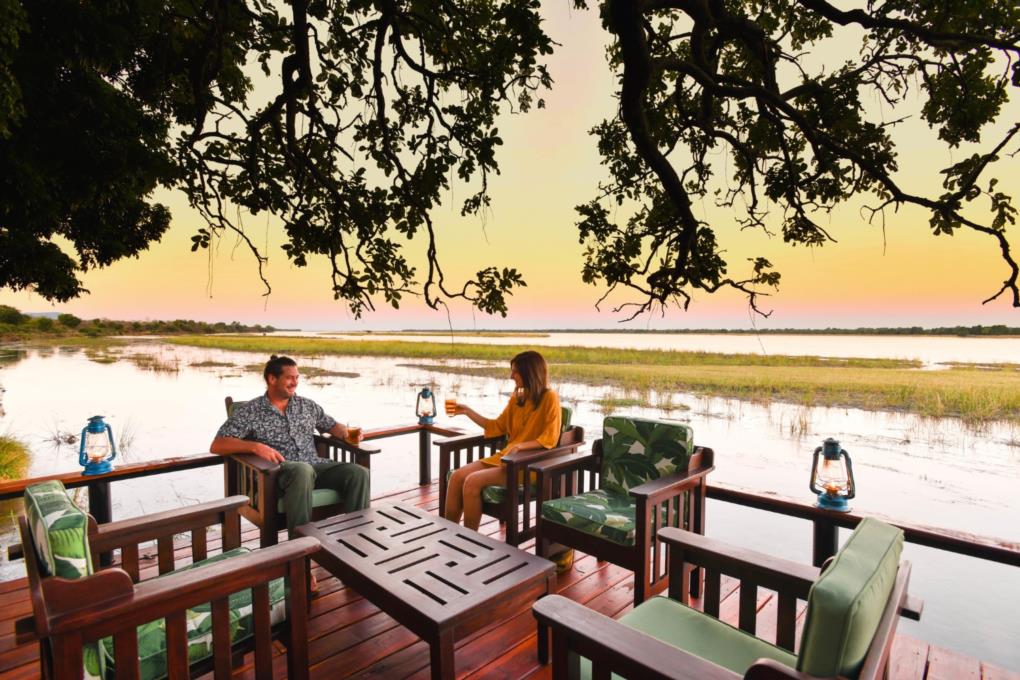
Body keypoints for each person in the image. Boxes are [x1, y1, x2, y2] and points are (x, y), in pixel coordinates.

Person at [210, 355, 371, 539]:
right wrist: (255, 447)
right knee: (302, 470)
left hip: (314, 466)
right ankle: (300, 545)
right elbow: (217, 445)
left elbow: (332, 425)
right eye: (289, 378)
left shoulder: (306, 406)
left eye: (297, 377)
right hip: (276, 474)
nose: (295, 382)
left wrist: (346, 433)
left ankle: (355, 539)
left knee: (358, 473)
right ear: (272, 379)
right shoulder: (250, 411)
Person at [445, 350, 561, 532]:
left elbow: (550, 438)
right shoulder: (518, 398)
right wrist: (467, 411)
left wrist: (520, 446)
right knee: (457, 477)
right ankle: (448, 534)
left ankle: (468, 540)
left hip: (528, 465)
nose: (511, 376)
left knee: (472, 481)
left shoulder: (550, 398)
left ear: (529, 372)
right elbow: (496, 426)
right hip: (506, 459)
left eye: (515, 372)